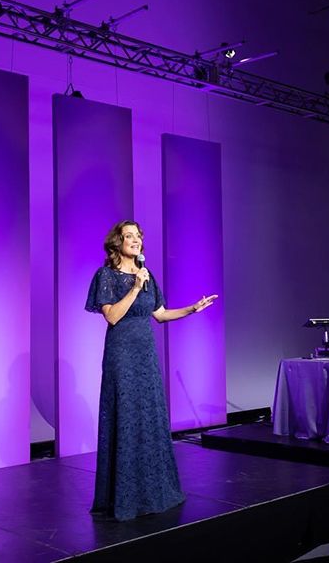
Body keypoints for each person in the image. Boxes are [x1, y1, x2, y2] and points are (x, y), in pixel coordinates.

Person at [85, 220, 218, 521]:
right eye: (129, 236)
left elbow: (160, 314)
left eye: (138, 236)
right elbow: (112, 317)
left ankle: (151, 491)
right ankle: (123, 496)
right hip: (121, 355)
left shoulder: (147, 275)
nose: (135, 240)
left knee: (148, 417)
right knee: (126, 416)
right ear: (117, 243)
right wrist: (134, 287)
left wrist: (192, 309)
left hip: (146, 356)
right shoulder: (106, 276)